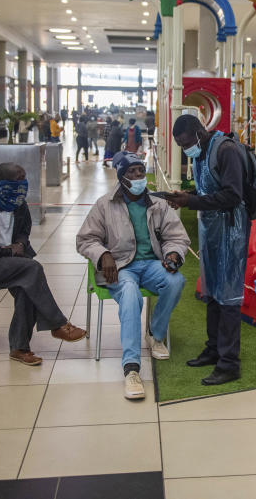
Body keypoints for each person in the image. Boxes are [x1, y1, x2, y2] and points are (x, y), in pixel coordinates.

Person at [76, 152, 190, 399]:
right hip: (120, 267)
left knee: (176, 281)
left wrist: (172, 254)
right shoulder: (105, 204)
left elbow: (177, 237)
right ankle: (131, 369)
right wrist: (103, 254)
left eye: (141, 170)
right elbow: (85, 239)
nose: (139, 176)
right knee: (129, 296)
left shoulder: (157, 204)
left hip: (150, 264)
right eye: (132, 172)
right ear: (121, 177)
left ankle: (155, 335)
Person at [0, 163, 86, 365]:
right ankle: (58, 323)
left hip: (9, 262)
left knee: (27, 286)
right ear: (2, 183)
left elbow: (23, 232)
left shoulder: (19, 205)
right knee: (32, 268)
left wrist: (19, 244)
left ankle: (19, 348)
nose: (23, 184)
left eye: (24, 179)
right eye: (18, 179)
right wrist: (6, 251)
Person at [164, 114, 249, 386]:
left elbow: (233, 195)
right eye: (180, 145)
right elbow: (206, 189)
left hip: (231, 231)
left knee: (229, 297)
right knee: (211, 292)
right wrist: (187, 197)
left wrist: (190, 201)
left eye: (186, 142)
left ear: (200, 132)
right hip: (210, 231)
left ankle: (229, 363)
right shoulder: (201, 152)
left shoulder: (227, 150)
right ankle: (213, 349)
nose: (185, 149)